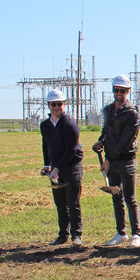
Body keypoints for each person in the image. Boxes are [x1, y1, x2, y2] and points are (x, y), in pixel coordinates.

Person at [94, 74, 140, 247]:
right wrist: (101, 142)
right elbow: (107, 131)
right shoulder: (108, 110)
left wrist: (108, 159)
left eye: (122, 91)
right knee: (116, 197)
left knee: (130, 198)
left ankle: (136, 234)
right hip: (112, 160)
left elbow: (125, 141)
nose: (119, 93)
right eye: (116, 90)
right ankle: (121, 233)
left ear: (128, 91)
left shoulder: (132, 113)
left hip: (126, 160)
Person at [40, 89, 84, 246]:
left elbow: (71, 151)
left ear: (64, 105)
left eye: (60, 104)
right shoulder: (45, 125)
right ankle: (63, 235)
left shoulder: (70, 125)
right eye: (53, 104)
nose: (57, 107)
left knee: (73, 203)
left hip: (72, 167)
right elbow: (46, 146)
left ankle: (76, 235)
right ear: (48, 105)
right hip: (55, 168)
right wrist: (48, 165)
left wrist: (57, 168)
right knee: (60, 203)